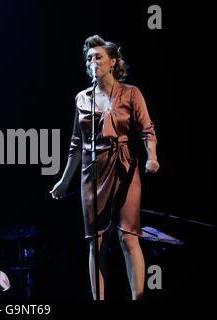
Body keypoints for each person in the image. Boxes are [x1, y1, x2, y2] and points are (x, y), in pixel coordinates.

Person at [50, 35, 159, 300]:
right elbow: (76, 143)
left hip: (123, 166)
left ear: (113, 62)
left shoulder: (130, 93)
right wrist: (64, 181)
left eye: (98, 57)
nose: (93, 62)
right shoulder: (81, 98)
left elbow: (147, 130)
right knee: (95, 243)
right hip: (91, 170)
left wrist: (151, 157)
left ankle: (138, 297)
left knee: (127, 236)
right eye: (89, 58)